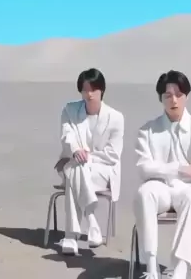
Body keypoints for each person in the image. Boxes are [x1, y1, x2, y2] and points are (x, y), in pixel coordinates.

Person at [133, 70, 191, 279]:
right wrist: (180, 169)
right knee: (145, 192)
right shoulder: (147, 130)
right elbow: (143, 168)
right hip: (160, 187)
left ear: (187, 96)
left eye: (179, 94)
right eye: (168, 95)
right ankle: (151, 267)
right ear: (160, 98)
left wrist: (162, 169)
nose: (174, 100)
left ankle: (179, 270)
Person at [53, 68, 124, 255]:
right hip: (74, 164)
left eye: (93, 89)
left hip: (103, 171)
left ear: (102, 90)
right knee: (77, 168)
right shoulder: (70, 110)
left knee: (75, 171)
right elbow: (66, 136)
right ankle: (91, 221)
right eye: (85, 90)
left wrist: (87, 156)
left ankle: (71, 236)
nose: (89, 94)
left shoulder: (116, 118)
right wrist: (76, 151)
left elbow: (112, 155)